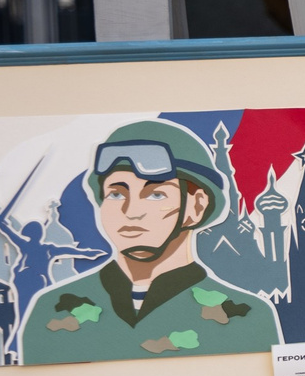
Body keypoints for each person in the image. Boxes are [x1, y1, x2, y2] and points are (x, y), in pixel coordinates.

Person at [23, 120, 283, 363]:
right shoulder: (51, 309)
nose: (131, 210)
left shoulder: (249, 316)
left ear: (196, 206)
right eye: (115, 194)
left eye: (156, 194)